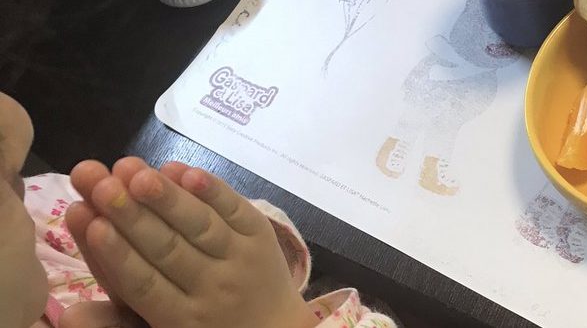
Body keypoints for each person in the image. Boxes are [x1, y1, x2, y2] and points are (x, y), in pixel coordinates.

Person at [0, 90, 396, 328]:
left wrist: (233, 252)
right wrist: (278, 321)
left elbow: (234, 253)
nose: (15, 121)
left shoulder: (36, 206)